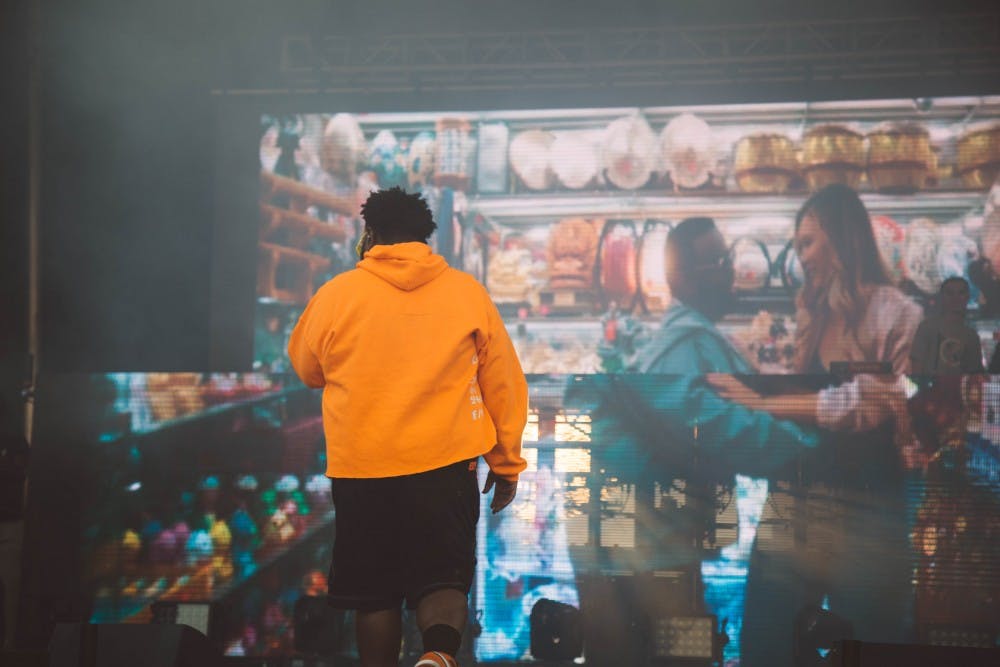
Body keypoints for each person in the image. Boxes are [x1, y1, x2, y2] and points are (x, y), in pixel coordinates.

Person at [287, 187, 528, 667]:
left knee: (374, 595)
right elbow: (503, 384)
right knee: (443, 582)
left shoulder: (336, 295)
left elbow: (307, 369)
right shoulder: (466, 293)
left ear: (370, 234)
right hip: (445, 468)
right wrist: (505, 465)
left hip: (362, 470)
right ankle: (436, 658)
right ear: (425, 238)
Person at [707, 184, 923, 666]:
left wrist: (766, 403)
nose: (800, 256)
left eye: (807, 242)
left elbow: (875, 401)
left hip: (868, 509)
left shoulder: (899, 314)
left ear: (841, 238)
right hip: (796, 502)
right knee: (767, 646)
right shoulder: (812, 313)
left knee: (871, 645)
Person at [910, 276, 984, 374]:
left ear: (967, 297)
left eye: (961, 293)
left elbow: (975, 372)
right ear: (942, 297)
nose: (955, 298)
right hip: (931, 383)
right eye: (950, 293)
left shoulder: (972, 336)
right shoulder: (927, 327)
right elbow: (916, 367)